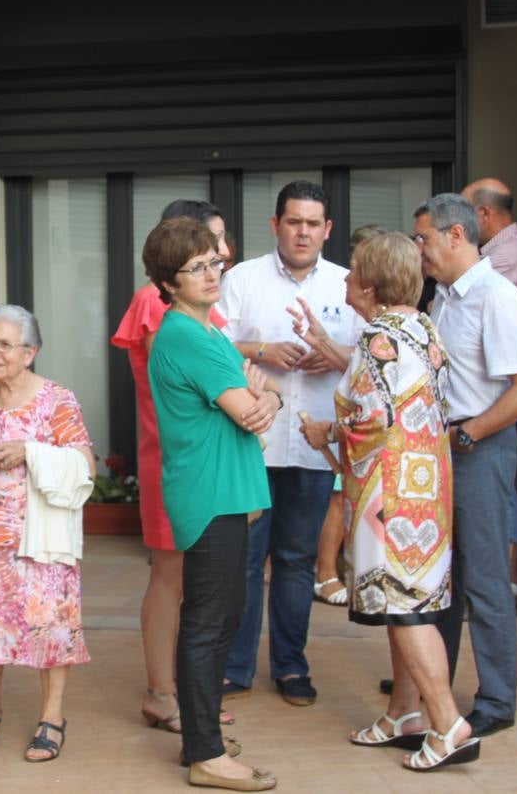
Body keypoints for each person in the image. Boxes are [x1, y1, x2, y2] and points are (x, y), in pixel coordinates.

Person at [298, 232, 477, 771]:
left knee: (405, 608)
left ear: (371, 284)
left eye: (352, 270)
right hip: (426, 488)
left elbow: (370, 417)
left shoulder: (378, 336)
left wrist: (324, 430)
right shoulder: (422, 327)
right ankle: (404, 714)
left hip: (390, 497)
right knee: (410, 602)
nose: (346, 279)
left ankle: (447, 723)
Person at [112, 200, 277, 733]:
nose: (220, 258)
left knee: (203, 592)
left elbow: (250, 387)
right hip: (182, 454)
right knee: (175, 580)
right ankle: (166, 691)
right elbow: (217, 385)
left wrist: (264, 394)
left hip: (211, 455)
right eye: (208, 248)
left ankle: (191, 692)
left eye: (219, 253)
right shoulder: (164, 312)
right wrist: (259, 396)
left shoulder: (202, 318)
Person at [219, 180, 362, 707]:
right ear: (275, 224)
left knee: (299, 561)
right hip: (251, 440)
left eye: (313, 224)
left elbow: (372, 358)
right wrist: (261, 350)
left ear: (328, 230)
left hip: (313, 443)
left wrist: (337, 354)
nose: (302, 232)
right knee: (247, 561)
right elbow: (212, 345)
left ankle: (291, 667)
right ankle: (235, 667)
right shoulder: (241, 278)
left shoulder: (348, 284)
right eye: (293, 221)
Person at [412, 193, 517, 739]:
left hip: (478, 448)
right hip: (442, 451)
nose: (418, 248)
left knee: (486, 580)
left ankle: (496, 699)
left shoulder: (497, 297)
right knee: (442, 579)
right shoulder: (441, 296)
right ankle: (435, 682)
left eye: (424, 238)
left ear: (456, 236)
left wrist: (467, 434)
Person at [0, 304, 95, 762]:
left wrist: (29, 452)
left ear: (30, 352)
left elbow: (84, 467)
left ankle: (52, 717)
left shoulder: (57, 400)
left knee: (51, 624)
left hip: (41, 539)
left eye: (4, 345)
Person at [461, 178, 517, 597]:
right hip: (503, 398)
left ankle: (504, 580)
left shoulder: (502, 261)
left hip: (504, 400)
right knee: (505, 491)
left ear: (483, 215)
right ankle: (502, 580)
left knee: (503, 493)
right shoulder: (508, 251)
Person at [295, 224, 387, 608]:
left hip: (363, 437)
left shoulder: (393, 331)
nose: (346, 276)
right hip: (348, 428)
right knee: (337, 500)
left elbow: (374, 369)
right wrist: (323, 346)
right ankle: (326, 571)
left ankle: (352, 571)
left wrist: (328, 350)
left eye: (356, 269)